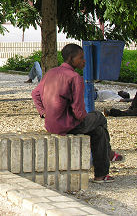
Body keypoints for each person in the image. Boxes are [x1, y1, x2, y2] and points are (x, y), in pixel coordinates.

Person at [32, 43, 123, 183]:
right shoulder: (75, 78)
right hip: (67, 125)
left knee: (98, 131)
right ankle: (109, 153)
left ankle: (101, 175)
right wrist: (83, 118)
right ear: (70, 58)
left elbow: (35, 93)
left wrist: (43, 112)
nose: (84, 61)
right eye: (81, 58)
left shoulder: (51, 72)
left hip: (51, 124)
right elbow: (78, 110)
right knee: (99, 117)